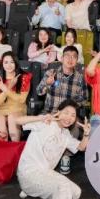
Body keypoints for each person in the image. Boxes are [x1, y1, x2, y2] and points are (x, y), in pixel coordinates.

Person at [10, 101, 91, 199]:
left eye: (73, 115)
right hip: (29, 173)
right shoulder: (45, 122)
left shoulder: (65, 134)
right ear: (58, 111)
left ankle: (32, 191)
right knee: (63, 187)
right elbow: (17, 120)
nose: (69, 117)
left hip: (45, 173)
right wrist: (40, 117)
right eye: (66, 112)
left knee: (76, 193)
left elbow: (81, 147)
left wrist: (86, 134)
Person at [35, 45, 89, 174]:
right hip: (51, 113)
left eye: (74, 57)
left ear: (77, 60)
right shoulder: (51, 73)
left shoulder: (80, 78)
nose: (70, 59)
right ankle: (45, 158)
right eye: (67, 56)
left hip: (69, 115)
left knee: (75, 130)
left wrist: (70, 108)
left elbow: (84, 99)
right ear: (61, 58)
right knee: (45, 129)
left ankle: (65, 156)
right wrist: (47, 84)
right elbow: (39, 92)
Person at [0, 52, 32, 140]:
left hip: (18, 108)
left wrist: (6, 90)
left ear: (16, 63)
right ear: (2, 64)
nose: (9, 65)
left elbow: (22, 100)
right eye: (6, 62)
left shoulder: (24, 77)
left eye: (12, 62)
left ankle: (15, 146)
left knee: (12, 118)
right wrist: (9, 87)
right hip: (2, 109)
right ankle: (3, 147)